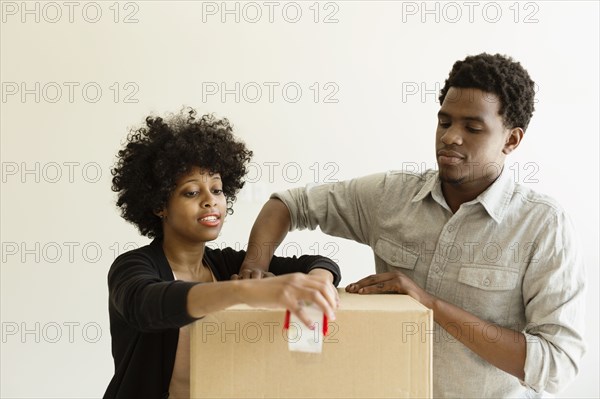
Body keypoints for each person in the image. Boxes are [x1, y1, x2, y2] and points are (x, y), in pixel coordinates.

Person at [239, 53, 586, 397]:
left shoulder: (543, 226)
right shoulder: (391, 195)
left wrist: (428, 303)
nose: (450, 137)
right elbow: (289, 204)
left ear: (511, 140)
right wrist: (254, 269)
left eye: (473, 127)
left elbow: (557, 364)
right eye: (445, 122)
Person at [104, 109, 340, 399]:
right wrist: (242, 291)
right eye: (191, 193)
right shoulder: (133, 267)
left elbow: (317, 263)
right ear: (159, 205)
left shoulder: (225, 265)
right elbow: (147, 306)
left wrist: (318, 280)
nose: (210, 202)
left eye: (216, 190)